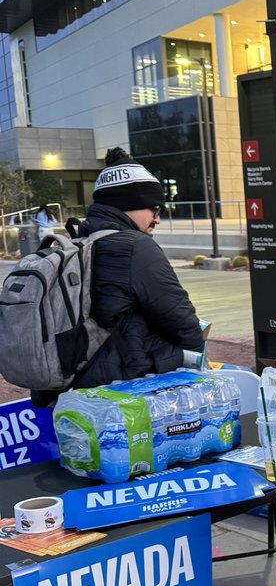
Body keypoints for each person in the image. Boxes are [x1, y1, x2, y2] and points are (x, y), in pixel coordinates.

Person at [33, 148, 205, 404]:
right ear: (130, 204)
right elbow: (187, 329)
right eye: (155, 209)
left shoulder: (78, 242)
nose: (157, 219)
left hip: (70, 391)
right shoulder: (135, 247)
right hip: (123, 394)